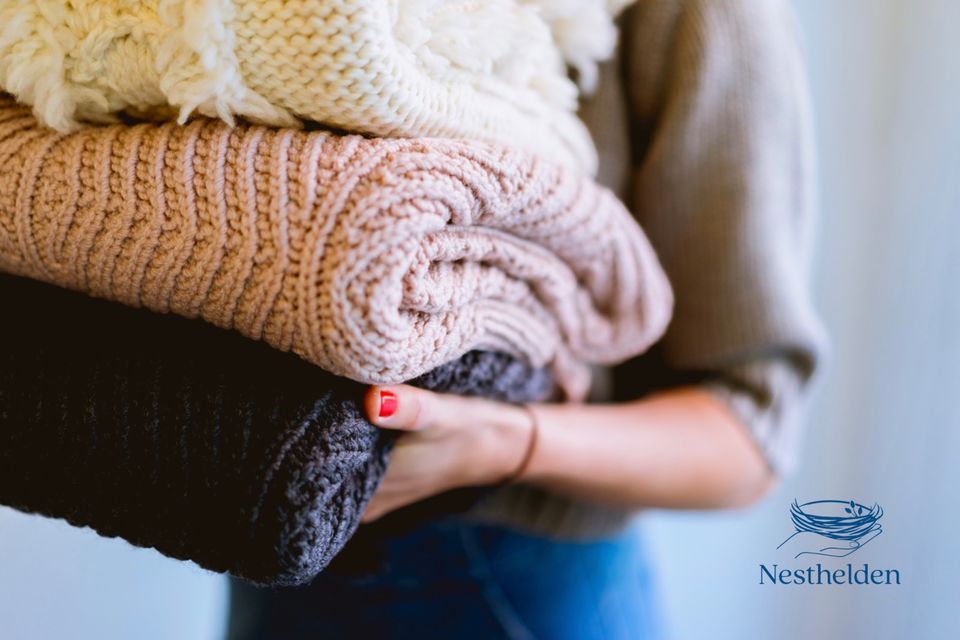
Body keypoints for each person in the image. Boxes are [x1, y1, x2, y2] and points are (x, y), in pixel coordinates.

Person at [228, 0, 826, 637]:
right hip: (273, 540)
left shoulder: (702, 15)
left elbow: (748, 436)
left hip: (503, 577)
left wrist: (508, 442)